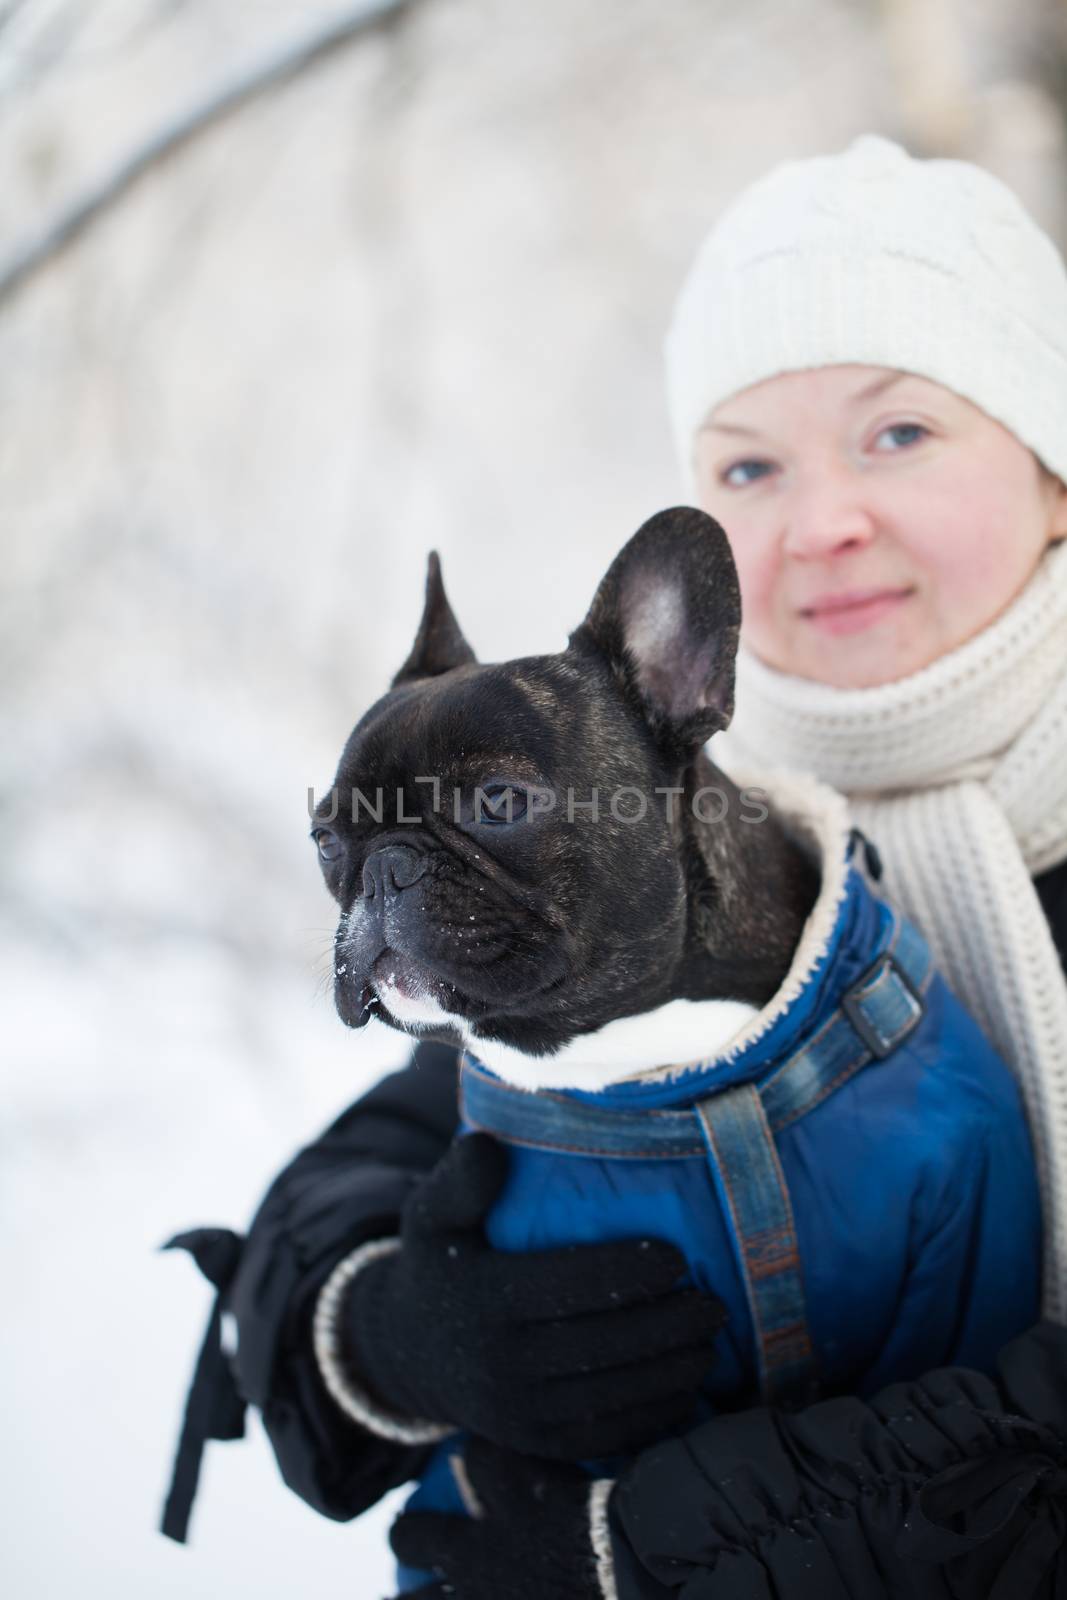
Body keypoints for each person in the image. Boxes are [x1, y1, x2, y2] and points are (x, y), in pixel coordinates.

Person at [162, 136, 1067, 1597]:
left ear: (1056, 460)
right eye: (749, 466)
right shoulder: (677, 851)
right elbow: (354, 1180)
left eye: (900, 433)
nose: (823, 517)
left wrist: (645, 1550)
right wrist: (384, 1324)